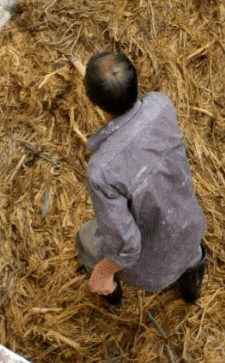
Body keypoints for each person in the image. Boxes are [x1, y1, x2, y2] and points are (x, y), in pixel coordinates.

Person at [76, 50, 207, 308]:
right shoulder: (160, 105)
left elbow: (127, 246)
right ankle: (192, 291)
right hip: (192, 231)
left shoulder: (102, 171)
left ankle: (112, 298)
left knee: (85, 237)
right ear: (136, 82)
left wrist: (103, 271)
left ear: (91, 102)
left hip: (154, 269)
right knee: (189, 252)